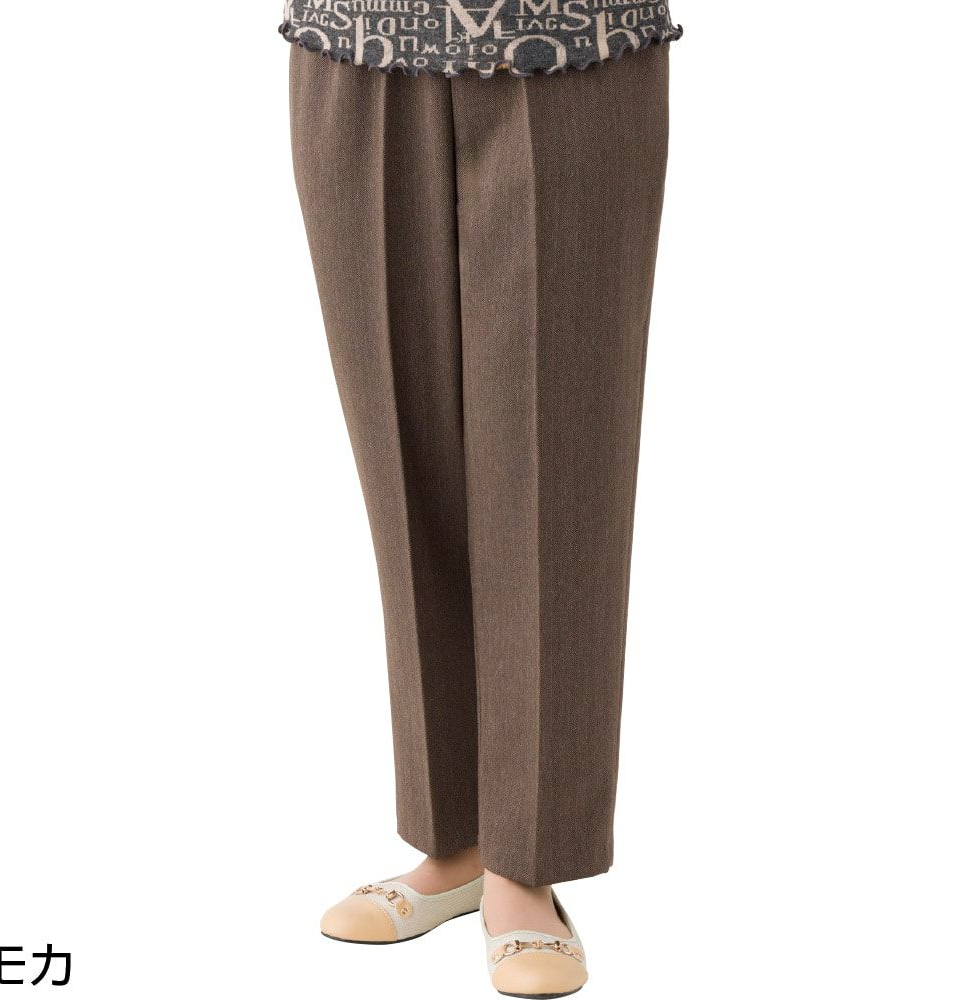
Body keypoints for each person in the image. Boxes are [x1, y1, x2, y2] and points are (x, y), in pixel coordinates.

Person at [284, 2, 682, 995]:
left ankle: (526, 866)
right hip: (357, 34)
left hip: (569, 40)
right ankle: (454, 841)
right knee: (402, 449)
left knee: (558, 460)